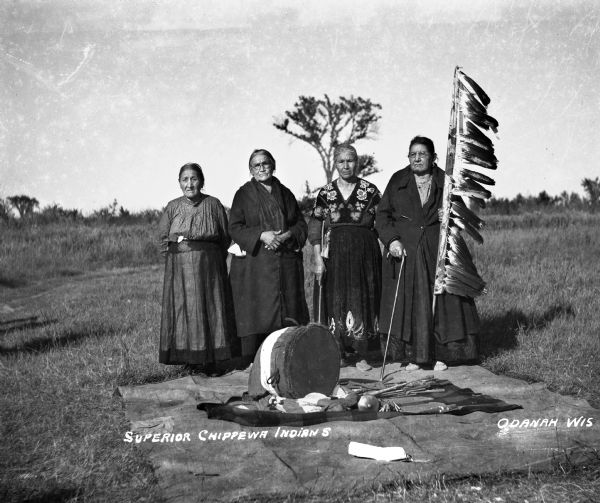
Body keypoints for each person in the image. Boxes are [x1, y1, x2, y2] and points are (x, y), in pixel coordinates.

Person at [376, 136, 479, 371]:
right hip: (405, 250)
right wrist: (391, 240)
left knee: (443, 302)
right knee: (410, 304)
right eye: (413, 154)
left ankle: (441, 355)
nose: (417, 158)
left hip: (437, 248)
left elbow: (463, 214)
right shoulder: (397, 180)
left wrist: (449, 216)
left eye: (422, 154)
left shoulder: (446, 181)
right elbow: (382, 216)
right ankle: (414, 357)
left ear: (433, 158)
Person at [229, 149, 309, 364]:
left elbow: (300, 223)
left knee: (287, 312)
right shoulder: (243, 194)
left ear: (273, 165)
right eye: (256, 165)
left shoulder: (285, 193)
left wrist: (287, 235)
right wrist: (261, 235)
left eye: (265, 163)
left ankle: (287, 356)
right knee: (259, 311)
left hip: (284, 261)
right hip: (256, 265)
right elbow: (234, 227)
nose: (262, 168)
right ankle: (256, 359)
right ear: (250, 170)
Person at [158, 162, 237, 371]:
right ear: (179, 183)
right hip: (180, 269)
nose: (189, 184)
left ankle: (211, 359)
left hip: (210, 267)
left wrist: (212, 258)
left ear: (201, 181)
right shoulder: (173, 207)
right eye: (185, 179)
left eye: (194, 179)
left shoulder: (213, 204)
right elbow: (163, 240)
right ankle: (189, 359)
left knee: (210, 307)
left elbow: (225, 237)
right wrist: (177, 261)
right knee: (186, 309)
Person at [309, 144, 382, 370]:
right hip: (335, 254)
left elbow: (384, 223)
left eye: (350, 160)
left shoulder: (370, 191)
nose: (346, 165)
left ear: (357, 162)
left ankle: (362, 355)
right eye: (341, 161)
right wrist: (318, 258)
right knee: (335, 298)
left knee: (363, 297)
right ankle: (337, 351)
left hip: (364, 254)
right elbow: (315, 227)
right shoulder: (325, 193)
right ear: (335, 164)